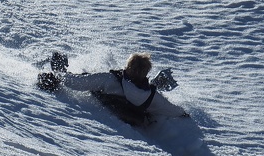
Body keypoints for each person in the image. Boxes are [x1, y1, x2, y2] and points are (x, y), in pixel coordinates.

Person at [39, 52, 187, 126]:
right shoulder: (153, 97)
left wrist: (58, 75)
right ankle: (156, 81)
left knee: (86, 77)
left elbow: (76, 83)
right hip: (136, 114)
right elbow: (177, 112)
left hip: (112, 103)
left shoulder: (110, 80)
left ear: (128, 67)